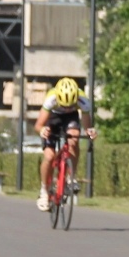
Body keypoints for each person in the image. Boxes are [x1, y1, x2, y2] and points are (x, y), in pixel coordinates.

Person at [35, 77, 96, 210]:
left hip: (71, 119)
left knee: (74, 138)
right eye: (64, 105)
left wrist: (90, 131)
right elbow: (38, 125)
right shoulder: (51, 98)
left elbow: (87, 125)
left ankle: (70, 177)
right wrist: (43, 130)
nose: (67, 108)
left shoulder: (83, 100)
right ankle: (44, 190)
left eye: (70, 105)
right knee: (49, 157)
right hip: (52, 117)